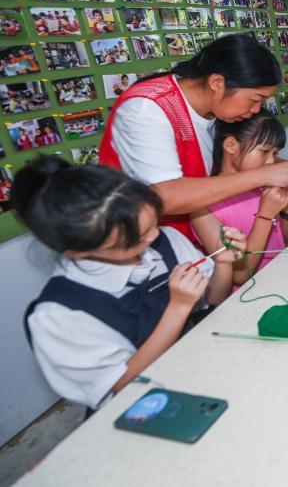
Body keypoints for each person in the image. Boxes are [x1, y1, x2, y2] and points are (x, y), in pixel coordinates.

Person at [16, 156, 245, 411]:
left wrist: (223, 262)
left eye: (152, 222)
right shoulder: (58, 315)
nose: (154, 236)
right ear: (78, 252)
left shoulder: (166, 241)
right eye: (136, 238)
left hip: (199, 369)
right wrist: (177, 308)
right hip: (143, 405)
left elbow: (214, 298)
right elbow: (121, 384)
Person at [99, 34, 288, 242]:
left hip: (200, 242)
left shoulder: (220, 110)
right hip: (144, 248)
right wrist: (265, 175)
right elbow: (165, 196)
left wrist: (284, 169)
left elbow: (242, 154)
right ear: (217, 83)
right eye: (254, 99)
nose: (256, 109)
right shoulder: (146, 109)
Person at [192, 114, 288, 291]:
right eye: (264, 151)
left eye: (275, 153)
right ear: (231, 145)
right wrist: (265, 215)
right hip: (253, 294)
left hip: (286, 276)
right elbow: (241, 275)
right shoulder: (203, 208)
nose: (271, 161)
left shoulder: (264, 185)